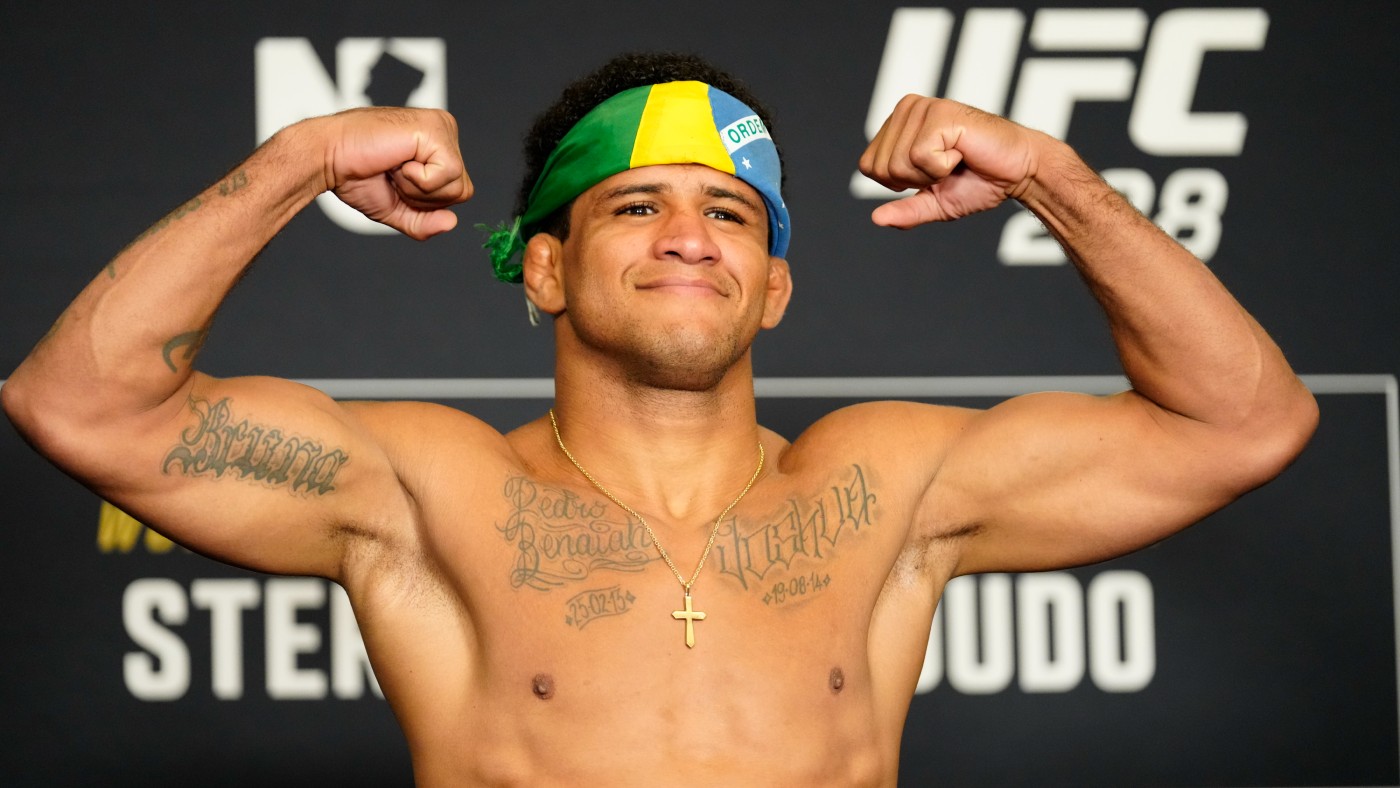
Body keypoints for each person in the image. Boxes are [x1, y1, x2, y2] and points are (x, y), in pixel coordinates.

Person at [1, 51, 1316, 786]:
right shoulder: (432, 493)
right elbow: (79, 405)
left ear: (774, 287)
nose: (690, 237)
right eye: (636, 206)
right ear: (546, 268)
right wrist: (303, 159)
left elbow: (1242, 425)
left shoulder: (884, 489)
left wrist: (1054, 176)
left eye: (730, 213)